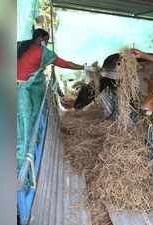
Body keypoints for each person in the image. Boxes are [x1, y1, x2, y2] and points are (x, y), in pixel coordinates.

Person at [16, 28, 92, 171]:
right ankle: (22, 166)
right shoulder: (43, 52)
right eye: (46, 39)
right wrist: (83, 67)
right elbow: (65, 63)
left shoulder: (20, 45)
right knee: (25, 123)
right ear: (41, 39)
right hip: (21, 91)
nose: (47, 42)